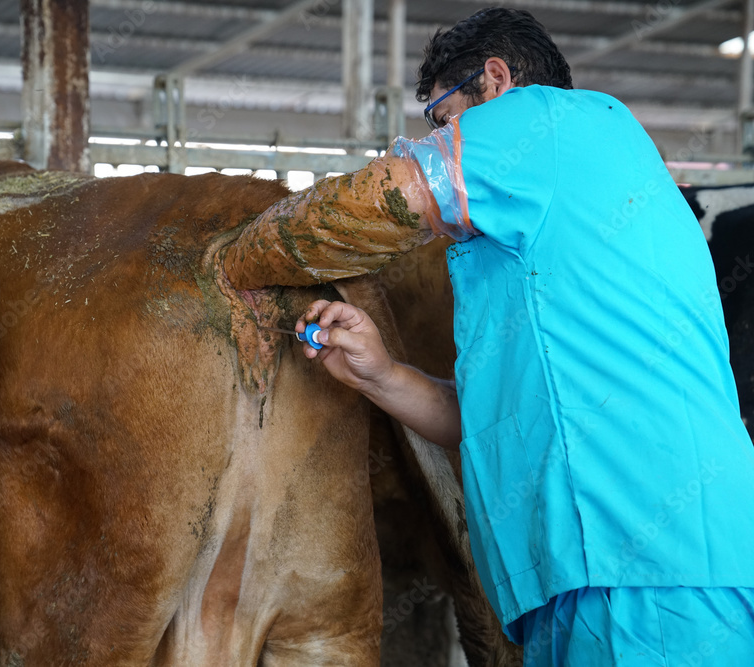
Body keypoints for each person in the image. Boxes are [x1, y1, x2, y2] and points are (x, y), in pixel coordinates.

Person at [221, 7, 754, 666]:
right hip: (611, 573)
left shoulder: (551, 121)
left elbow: (379, 199)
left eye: (444, 121)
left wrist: (227, 261)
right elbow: (493, 421)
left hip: (642, 565)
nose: (442, 140)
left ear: (497, 80)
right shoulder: (570, 218)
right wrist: (378, 372)